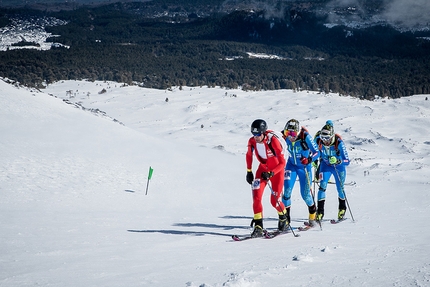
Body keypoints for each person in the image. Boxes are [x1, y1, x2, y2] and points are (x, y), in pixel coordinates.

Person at [246, 119, 288, 237]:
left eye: (258, 134)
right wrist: (249, 171)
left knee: (274, 201)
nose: (256, 137)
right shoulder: (252, 141)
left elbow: (282, 163)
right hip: (263, 169)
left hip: (276, 171)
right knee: (256, 196)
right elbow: (249, 155)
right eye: (254, 134)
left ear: (263, 132)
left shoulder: (273, 141)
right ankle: (258, 225)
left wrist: (271, 173)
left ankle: (283, 217)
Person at [282, 119, 320, 227]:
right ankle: (286, 220)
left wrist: (309, 159)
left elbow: (317, 152)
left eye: (293, 133)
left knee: (305, 195)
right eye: (287, 133)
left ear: (298, 132)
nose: (290, 136)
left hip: (304, 168)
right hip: (291, 166)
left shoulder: (305, 137)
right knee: (287, 191)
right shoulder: (284, 137)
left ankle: (313, 216)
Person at [314, 122, 350, 222]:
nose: (325, 140)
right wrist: (313, 160)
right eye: (323, 138)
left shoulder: (339, 143)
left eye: (327, 138)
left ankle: (342, 209)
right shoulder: (318, 140)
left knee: (340, 188)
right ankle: (320, 212)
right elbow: (314, 152)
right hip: (325, 166)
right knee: (322, 187)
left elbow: (347, 161)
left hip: (338, 167)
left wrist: (339, 161)